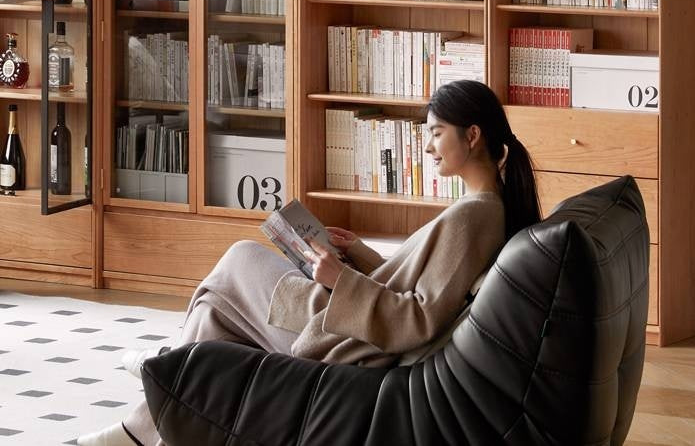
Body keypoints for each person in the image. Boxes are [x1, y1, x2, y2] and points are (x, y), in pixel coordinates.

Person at [78, 80, 541, 446]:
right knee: (214, 315)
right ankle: (154, 417)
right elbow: (421, 285)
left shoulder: (473, 216)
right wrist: (359, 253)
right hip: (355, 319)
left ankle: (161, 379)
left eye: (436, 133)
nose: (427, 147)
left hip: (350, 339)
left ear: (473, 135)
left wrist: (339, 278)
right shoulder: (486, 211)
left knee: (238, 260)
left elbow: (417, 319)